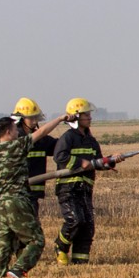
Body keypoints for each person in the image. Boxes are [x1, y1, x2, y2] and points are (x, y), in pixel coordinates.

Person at [0, 111, 69, 278]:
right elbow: (42, 132)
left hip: (2, 204)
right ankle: (17, 270)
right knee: (36, 240)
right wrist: (61, 118)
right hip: (19, 201)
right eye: (15, 129)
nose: (18, 131)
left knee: (4, 245)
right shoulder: (18, 145)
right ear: (9, 132)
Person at [52, 97, 121, 265]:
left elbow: (97, 163)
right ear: (75, 117)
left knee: (88, 227)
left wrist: (111, 161)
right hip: (69, 188)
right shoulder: (67, 138)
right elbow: (59, 157)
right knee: (76, 220)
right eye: (86, 115)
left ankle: (80, 263)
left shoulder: (91, 140)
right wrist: (79, 162)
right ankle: (60, 247)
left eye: (89, 114)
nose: (90, 118)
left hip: (85, 189)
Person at [11, 97, 59, 216]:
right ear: (21, 119)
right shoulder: (16, 139)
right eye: (31, 117)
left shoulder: (41, 141)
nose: (34, 121)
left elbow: (59, 147)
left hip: (32, 193)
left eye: (35, 117)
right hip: (17, 194)